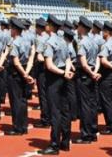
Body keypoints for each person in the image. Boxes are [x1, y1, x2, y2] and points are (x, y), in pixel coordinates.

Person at [38, 15, 72, 155]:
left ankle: (54, 144)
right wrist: (67, 71)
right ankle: (65, 141)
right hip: (64, 77)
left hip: (54, 78)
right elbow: (69, 58)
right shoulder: (63, 41)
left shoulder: (50, 42)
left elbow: (49, 65)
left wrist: (62, 73)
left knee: (55, 112)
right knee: (65, 110)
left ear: (50, 26)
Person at [75, 16, 100, 144]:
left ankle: (86, 134)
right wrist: (95, 72)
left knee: (84, 106)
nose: (77, 28)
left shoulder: (83, 42)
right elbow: (97, 59)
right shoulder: (93, 42)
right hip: (92, 73)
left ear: (82, 28)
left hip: (85, 75)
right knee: (92, 104)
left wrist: (90, 73)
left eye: (79, 26)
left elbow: (83, 63)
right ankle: (93, 131)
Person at [33, 18, 51, 128]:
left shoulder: (40, 39)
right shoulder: (49, 38)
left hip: (42, 69)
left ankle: (45, 119)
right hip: (49, 69)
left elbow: (39, 56)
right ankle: (49, 116)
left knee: (43, 95)